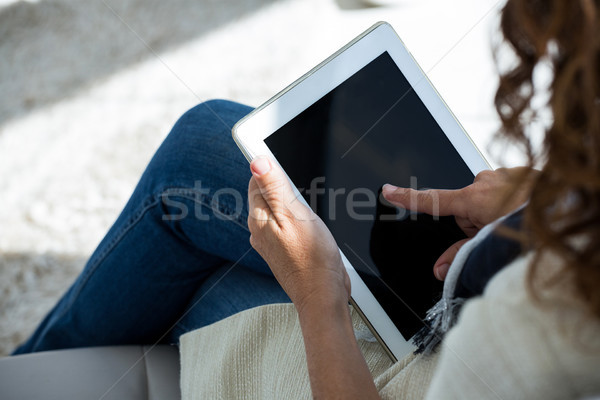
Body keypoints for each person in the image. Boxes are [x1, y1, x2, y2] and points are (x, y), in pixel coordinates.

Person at [13, 0, 600, 398]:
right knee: (217, 162)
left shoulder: (542, 324)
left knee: (196, 170)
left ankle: (20, 375)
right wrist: (546, 207)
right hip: (458, 308)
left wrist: (320, 297)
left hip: (410, 373)